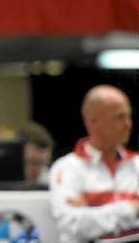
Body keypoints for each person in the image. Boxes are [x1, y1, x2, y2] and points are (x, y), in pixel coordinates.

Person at [49, 85, 139, 243]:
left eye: (129, 117)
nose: (128, 124)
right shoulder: (67, 168)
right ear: (93, 121)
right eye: (120, 117)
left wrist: (91, 211)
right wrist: (133, 209)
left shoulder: (137, 163)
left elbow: (83, 224)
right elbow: (72, 224)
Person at [16, 121, 54, 187]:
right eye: (32, 163)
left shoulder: (51, 181)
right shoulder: (1, 180)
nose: (37, 171)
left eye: (42, 164)